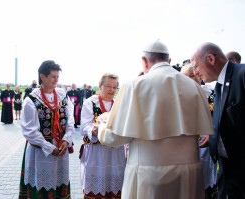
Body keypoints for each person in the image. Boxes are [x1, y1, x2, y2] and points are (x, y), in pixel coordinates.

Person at [97, 40, 214, 199]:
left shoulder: (134, 86)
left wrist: (102, 126)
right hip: (189, 174)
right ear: (169, 61)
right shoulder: (195, 87)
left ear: (144, 62)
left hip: (149, 176)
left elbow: (115, 138)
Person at [191, 42, 245, 198]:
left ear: (210, 59)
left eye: (196, 66)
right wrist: (214, 137)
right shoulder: (218, 87)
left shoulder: (242, 75)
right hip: (227, 169)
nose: (195, 72)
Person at [19, 60, 74, 199]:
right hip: (40, 152)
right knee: (41, 183)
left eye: (57, 77)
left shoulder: (63, 96)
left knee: (59, 181)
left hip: (61, 148)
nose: (56, 80)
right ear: (42, 76)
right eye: (53, 76)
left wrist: (66, 140)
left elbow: (70, 120)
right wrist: (49, 147)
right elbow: (30, 131)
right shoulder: (31, 100)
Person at [79, 73, 126, 198]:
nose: (111, 90)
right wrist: (94, 130)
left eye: (114, 87)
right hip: (96, 152)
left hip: (115, 153)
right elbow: (84, 127)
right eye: (108, 86)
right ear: (100, 86)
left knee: (114, 189)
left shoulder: (119, 105)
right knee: (95, 190)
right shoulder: (90, 103)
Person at [180, 63, 218, 199]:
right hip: (188, 139)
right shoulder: (180, 96)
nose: (192, 79)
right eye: (188, 76)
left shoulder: (210, 92)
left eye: (194, 75)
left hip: (207, 137)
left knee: (206, 168)